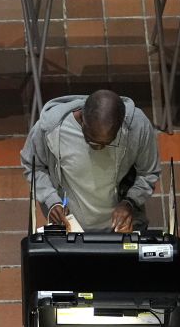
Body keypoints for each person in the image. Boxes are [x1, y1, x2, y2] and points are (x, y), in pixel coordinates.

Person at [21, 90, 160, 233]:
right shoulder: (51, 128)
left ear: (120, 126)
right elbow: (33, 166)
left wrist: (130, 202)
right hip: (72, 226)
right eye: (92, 142)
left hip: (120, 227)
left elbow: (148, 173)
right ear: (82, 119)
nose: (99, 148)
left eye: (108, 143)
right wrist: (51, 200)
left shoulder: (137, 127)